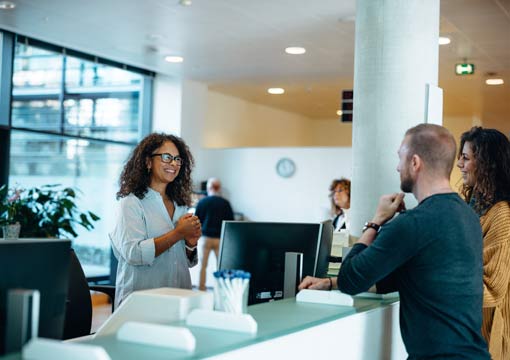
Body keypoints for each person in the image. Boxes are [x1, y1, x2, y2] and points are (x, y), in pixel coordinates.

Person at [300, 124, 490, 359]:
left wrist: (376, 221)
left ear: (415, 162)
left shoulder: (412, 224)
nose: (397, 166)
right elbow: (393, 280)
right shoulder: (468, 216)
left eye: (400, 157)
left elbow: (351, 279)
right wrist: (329, 283)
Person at [110, 133, 202, 308]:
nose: (174, 164)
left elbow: (182, 261)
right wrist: (178, 233)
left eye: (177, 159)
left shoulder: (180, 204)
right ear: (148, 162)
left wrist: (190, 244)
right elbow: (134, 254)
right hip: (141, 302)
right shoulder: (131, 202)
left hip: (179, 298)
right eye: (167, 157)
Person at [457, 127, 510, 360]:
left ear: (488, 164)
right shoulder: (473, 205)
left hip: (489, 336)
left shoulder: (500, 214)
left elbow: (492, 289)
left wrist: (438, 285)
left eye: (466, 158)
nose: (459, 164)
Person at [195, 178, 234, 290]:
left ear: (208, 188)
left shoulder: (202, 202)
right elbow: (230, 222)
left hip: (205, 238)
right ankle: (220, 288)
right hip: (220, 239)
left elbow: (197, 220)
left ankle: (201, 288)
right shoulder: (225, 203)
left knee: (203, 266)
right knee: (220, 266)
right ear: (219, 188)